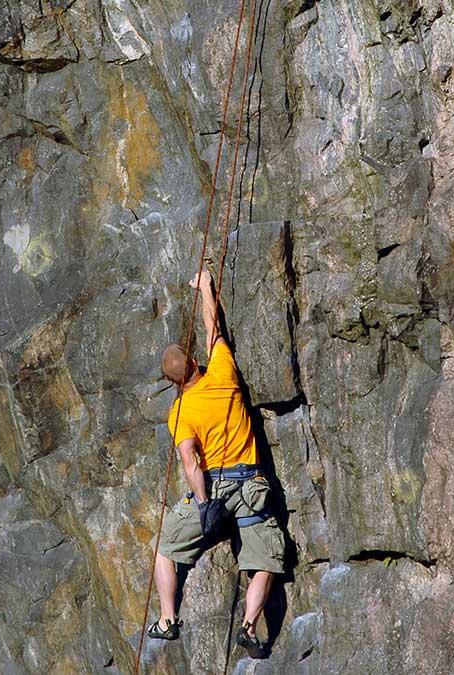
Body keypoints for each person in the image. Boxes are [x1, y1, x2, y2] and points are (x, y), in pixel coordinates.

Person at [147, 271, 284, 659]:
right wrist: (205, 286)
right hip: (252, 484)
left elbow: (190, 461)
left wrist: (204, 502)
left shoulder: (180, 412)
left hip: (216, 487)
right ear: (195, 362)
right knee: (265, 561)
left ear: (171, 380)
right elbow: (214, 329)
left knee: (165, 549)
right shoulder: (222, 371)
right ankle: (248, 626)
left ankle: (168, 619)